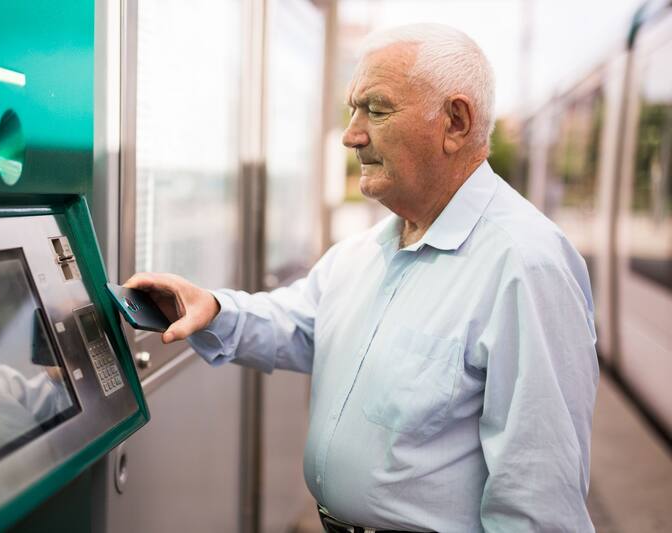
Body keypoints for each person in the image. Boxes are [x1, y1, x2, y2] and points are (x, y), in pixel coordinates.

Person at [126, 23, 599, 533]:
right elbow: (304, 325)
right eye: (353, 109)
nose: (351, 135)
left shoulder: (526, 265)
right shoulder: (368, 249)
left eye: (376, 109)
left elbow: (538, 501)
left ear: (455, 122)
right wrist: (213, 309)